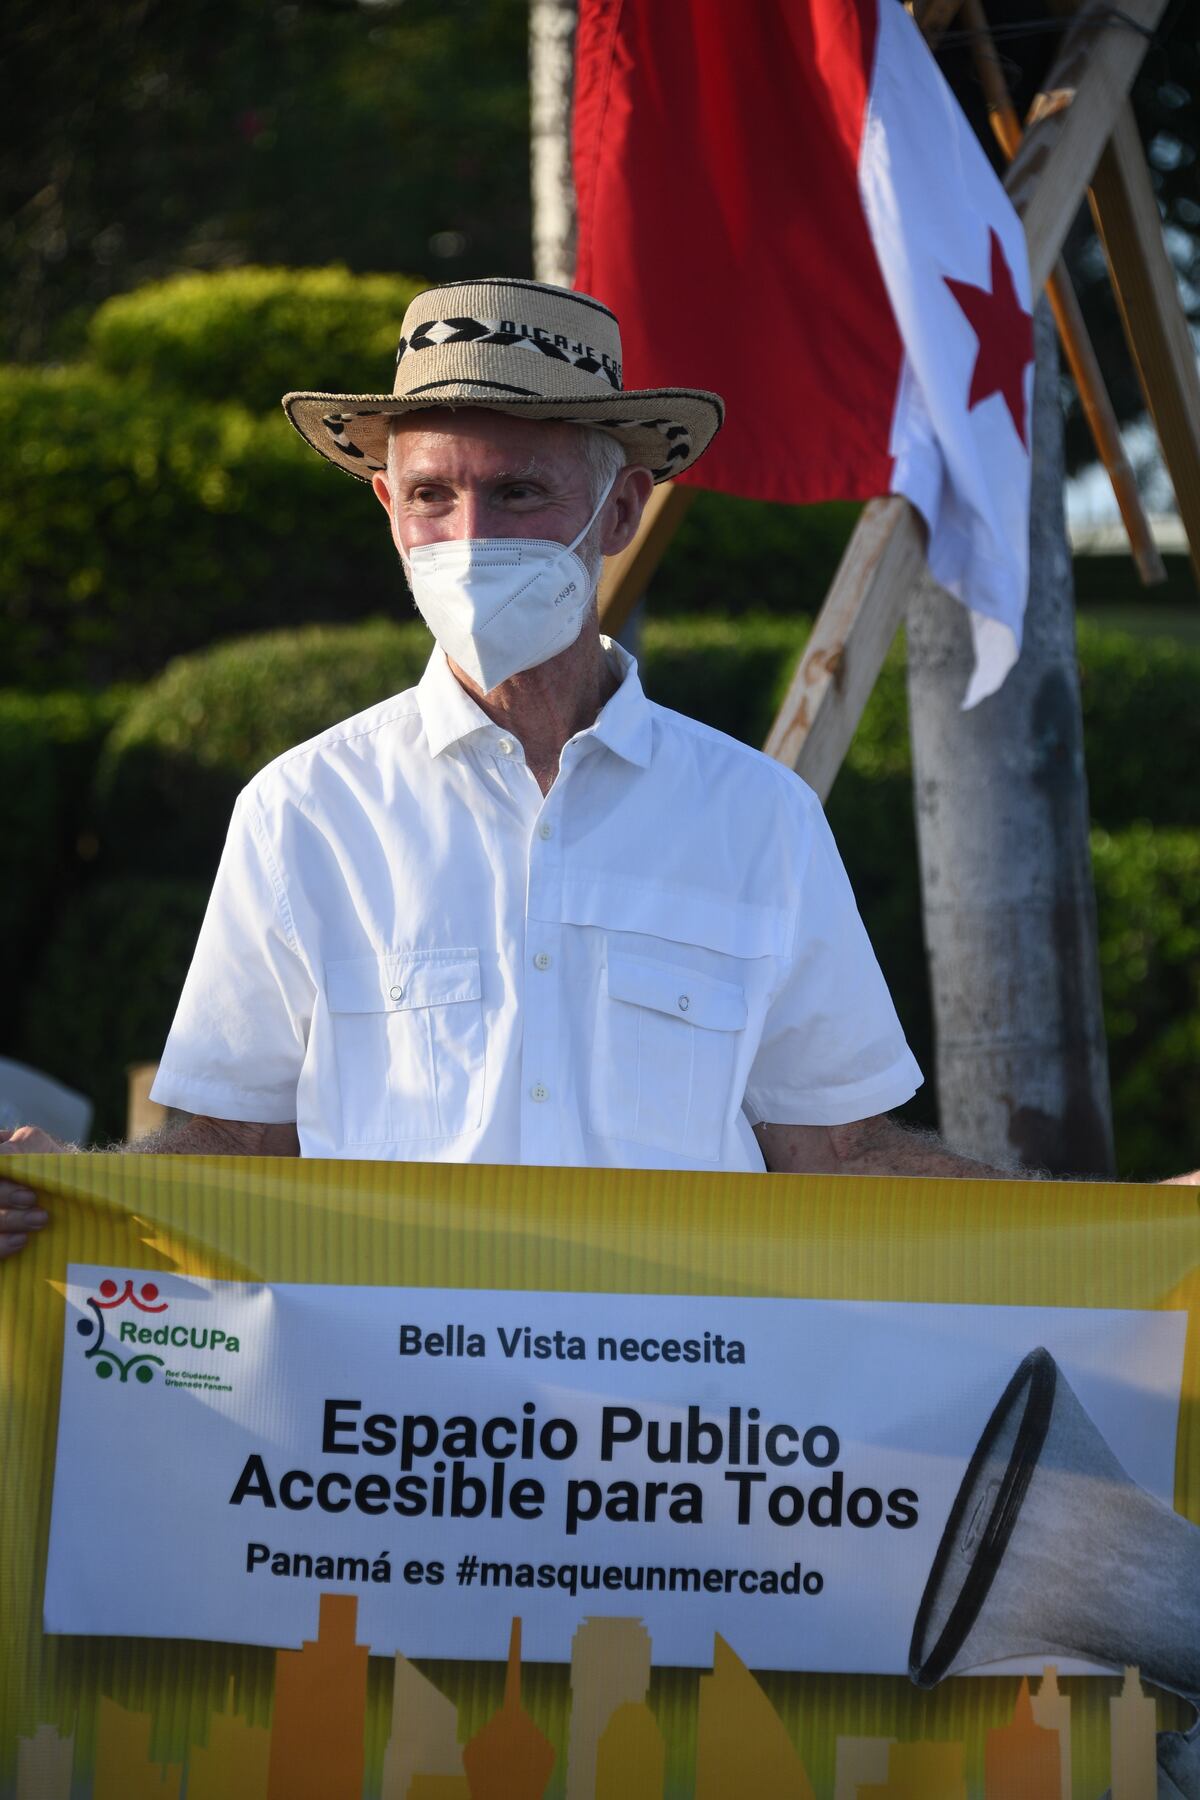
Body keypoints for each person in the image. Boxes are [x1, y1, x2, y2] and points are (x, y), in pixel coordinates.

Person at [0, 278, 1191, 1256]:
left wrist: (1135, 1232)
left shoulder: (758, 819)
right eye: (432, 496)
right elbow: (231, 1148)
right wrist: (62, 1198)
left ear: (620, 510)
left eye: (518, 491)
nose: (468, 538)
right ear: (386, 507)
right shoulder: (303, 810)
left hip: (677, 1461)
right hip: (381, 1457)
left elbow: (843, 1158)